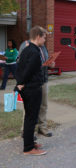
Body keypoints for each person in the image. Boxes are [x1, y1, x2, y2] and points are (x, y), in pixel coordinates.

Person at [16, 26, 47, 156]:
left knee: (30, 117)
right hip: (32, 89)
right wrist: (20, 83)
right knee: (31, 118)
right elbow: (28, 71)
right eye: (44, 37)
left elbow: (19, 68)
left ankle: (30, 143)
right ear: (38, 36)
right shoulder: (34, 52)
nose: (45, 40)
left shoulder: (27, 49)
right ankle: (28, 148)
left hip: (28, 88)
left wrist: (20, 83)